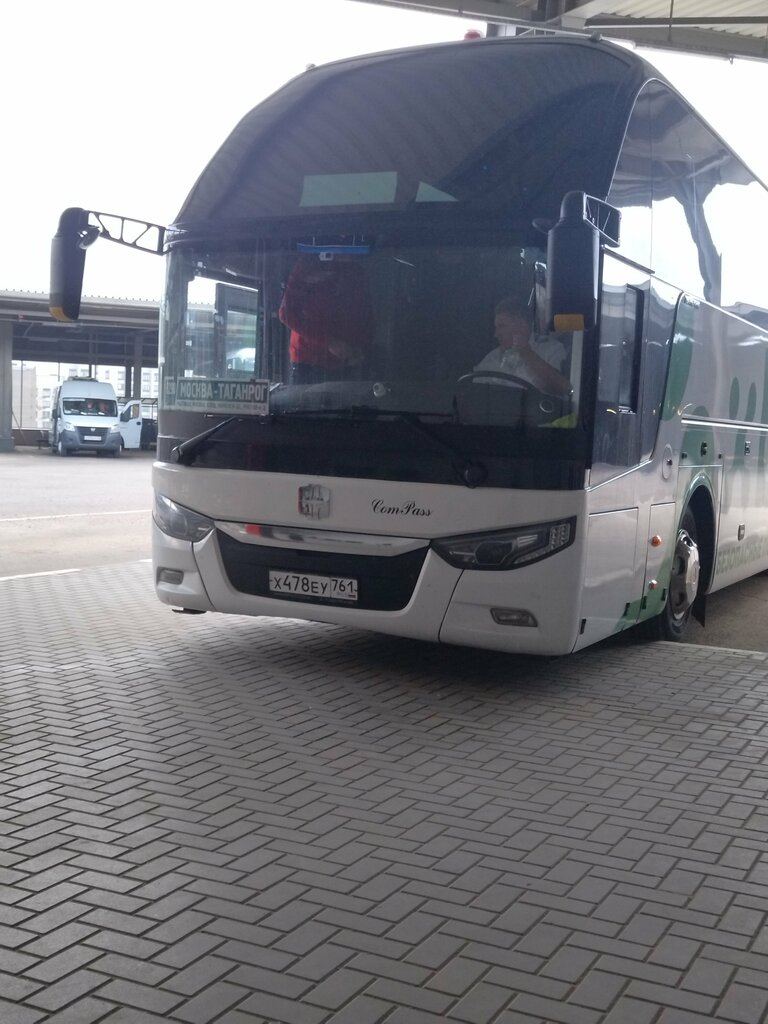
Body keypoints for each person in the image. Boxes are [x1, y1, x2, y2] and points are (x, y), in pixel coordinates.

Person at [279, 255, 375, 385]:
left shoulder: (357, 272)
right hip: (308, 364)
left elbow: (366, 314)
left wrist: (361, 348)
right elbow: (286, 313)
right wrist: (329, 341)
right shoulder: (308, 264)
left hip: (347, 363)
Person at [474, 298, 571, 397]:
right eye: (496, 327)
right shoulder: (493, 357)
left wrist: (526, 353)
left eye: (501, 326)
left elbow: (564, 389)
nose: (496, 334)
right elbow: (474, 392)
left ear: (522, 325)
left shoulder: (551, 349)